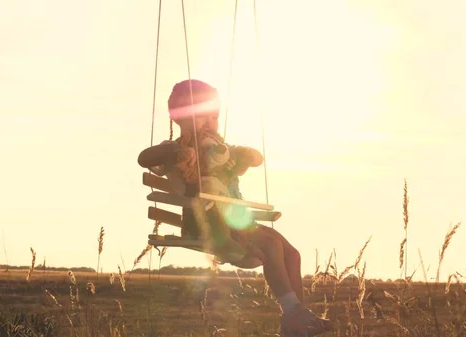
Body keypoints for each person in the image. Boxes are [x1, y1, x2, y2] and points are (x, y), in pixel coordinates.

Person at [137, 79, 333, 336]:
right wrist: (177, 153)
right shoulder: (175, 149)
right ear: (177, 117)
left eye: (214, 116)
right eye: (200, 116)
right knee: (272, 247)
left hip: (235, 218)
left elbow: (250, 157)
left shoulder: (220, 150)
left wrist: (240, 155)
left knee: (292, 254)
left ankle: (295, 317)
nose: (209, 122)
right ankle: (293, 314)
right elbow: (146, 158)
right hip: (208, 222)